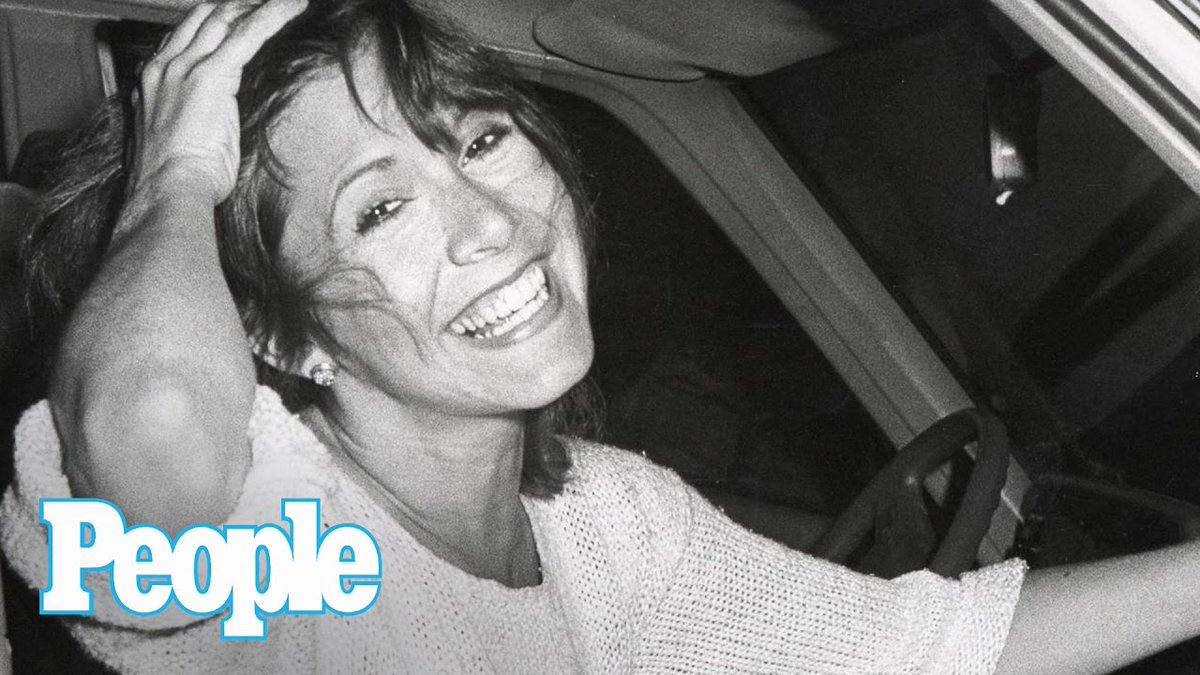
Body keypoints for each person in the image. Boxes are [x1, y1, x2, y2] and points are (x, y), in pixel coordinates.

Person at [3, 0, 1200, 673]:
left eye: (481, 141)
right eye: (379, 210)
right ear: (284, 337)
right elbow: (152, 439)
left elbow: (916, 651)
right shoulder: (279, 536)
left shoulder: (607, 522)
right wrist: (177, 175)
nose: (491, 224)